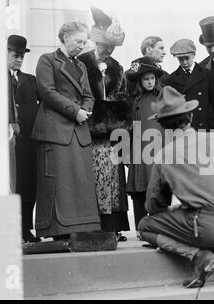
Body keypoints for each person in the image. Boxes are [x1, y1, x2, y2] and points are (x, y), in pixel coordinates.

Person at [138, 86, 214, 288]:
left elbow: (153, 205)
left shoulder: (165, 154)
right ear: (190, 115)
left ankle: (200, 257)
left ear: (162, 125)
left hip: (206, 226)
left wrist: (180, 209)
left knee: (145, 226)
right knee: (210, 219)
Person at [31, 21, 100, 239]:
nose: (82, 45)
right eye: (78, 41)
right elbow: (47, 92)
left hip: (78, 131)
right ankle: (59, 231)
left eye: (84, 41)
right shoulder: (47, 60)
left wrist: (85, 111)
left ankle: (80, 229)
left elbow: (89, 95)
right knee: (60, 184)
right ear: (64, 38)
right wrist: (75, 111)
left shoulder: (80, 66)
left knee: (80, 183)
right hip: (56, 131)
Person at [78, 7, 131, 241]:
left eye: (111, 48)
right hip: (88, 130)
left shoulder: (117, 68)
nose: (107, 51)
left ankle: (113, 226)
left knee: (113, 179)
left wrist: (121, 126)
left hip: (111, 133)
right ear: (95, 42)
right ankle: (93, 225)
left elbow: (122, 97)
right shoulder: (81, 63)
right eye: (104, 47)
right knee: (93, 178)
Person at [7, 35, 39, 243]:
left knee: (28, 185)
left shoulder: (31, 80)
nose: (19, 60)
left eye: (21, 56)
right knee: (10, 186)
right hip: (6, 142)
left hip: (28, 141)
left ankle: (26, 229)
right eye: (15, 55)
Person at [125, 56, 164, 229]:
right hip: (140, 149)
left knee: (159, 188)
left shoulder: (163, 98)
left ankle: (161, 224)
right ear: (140, 81)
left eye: (152, 78)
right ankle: (141, 226)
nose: (149, 82)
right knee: (140, 188)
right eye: (146, 79)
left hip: (160, 148)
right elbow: (129, 127)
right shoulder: (134, 101)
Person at [165, 38, 214, 131]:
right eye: (181, 59)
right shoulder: (171, 80)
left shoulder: (207, 75)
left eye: (187, 58)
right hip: (184, 129)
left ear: (193, 55)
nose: (184, 62)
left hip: (206, 128)